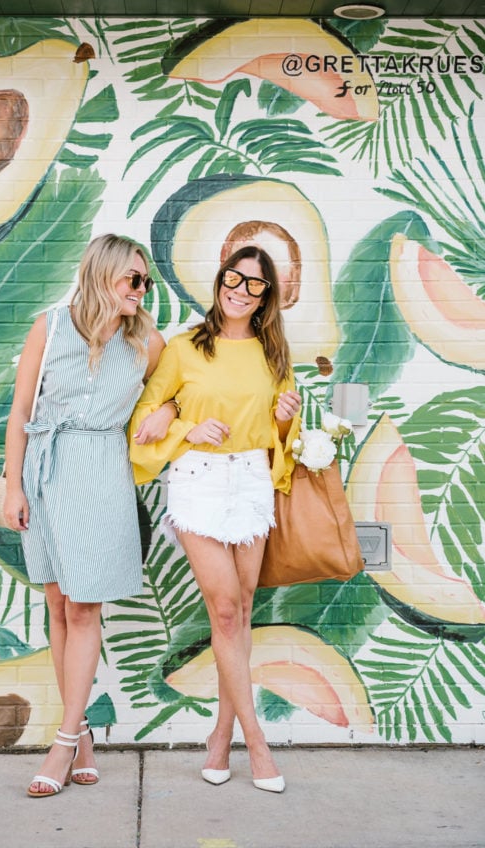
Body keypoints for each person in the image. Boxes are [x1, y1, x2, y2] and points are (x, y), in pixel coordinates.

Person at [4, 233, 175, 797]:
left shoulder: (146, 341)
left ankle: (61, 743)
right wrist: (13, 484)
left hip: (100, 471)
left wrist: (169, 407)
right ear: (102, 275)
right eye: (134, 279)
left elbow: (181, 391)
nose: (142, 289)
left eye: (145, 280)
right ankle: (80, 737)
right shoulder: (49, 327)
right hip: (44, 470)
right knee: (56, 602)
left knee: (83, 606)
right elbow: (21, 410)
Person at [129, 245, 302, 793]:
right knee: (225, 610)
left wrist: (282, 422)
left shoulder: (274, 355)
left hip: (251, 481)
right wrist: (184, 429)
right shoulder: (182, 349)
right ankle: (257, 744)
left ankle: (220, 736)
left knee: (241, 612)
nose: (241, 290)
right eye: (235, 277)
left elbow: (281, 441)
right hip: (199, 482)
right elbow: (142, 424)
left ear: (266, 297)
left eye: (255, 284)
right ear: (220, 279)